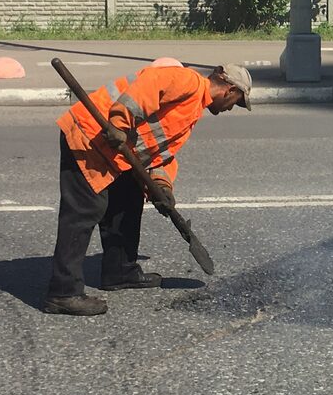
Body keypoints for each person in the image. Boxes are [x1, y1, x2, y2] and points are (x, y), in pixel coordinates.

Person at [44, 62, 252, 316]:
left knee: (128, 201)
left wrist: (161, 187)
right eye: (236, 102)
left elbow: (159, 153)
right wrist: (120, 124)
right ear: (229, 90)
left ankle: (120, 270)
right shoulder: (187, 81)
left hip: (117, 153)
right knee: (83, 212)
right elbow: (144, 90)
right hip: (90, 137)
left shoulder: (194, 109)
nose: (231, 108)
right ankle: (63, 292)